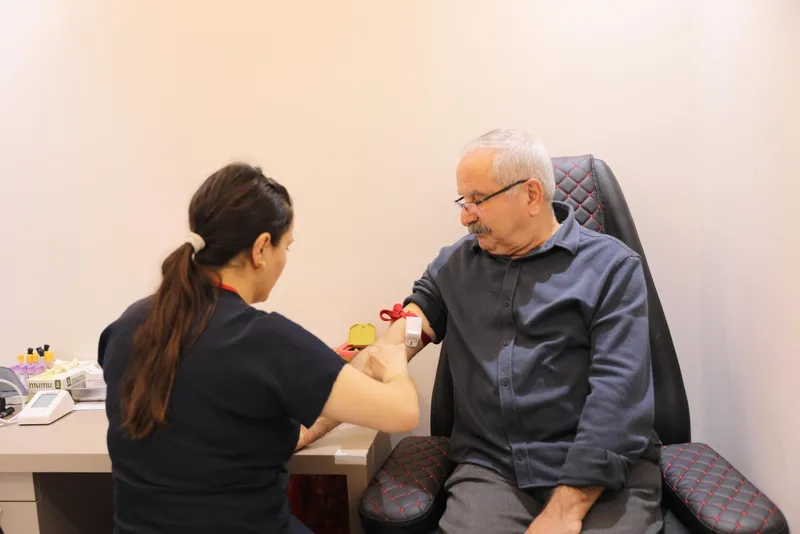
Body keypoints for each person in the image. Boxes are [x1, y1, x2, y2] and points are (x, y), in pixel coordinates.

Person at [351, 129, 662, 533]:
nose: (465, 216)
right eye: (463, 201)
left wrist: (563, 511)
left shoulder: (611, 268)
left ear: (531, 195)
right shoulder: (455, 267)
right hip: (494, 472)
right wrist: (310, 421)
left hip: (603, 474)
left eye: (477, 199)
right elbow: (397, 343)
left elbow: (618, 396)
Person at [98, 163, 419, 534]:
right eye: (287, 246)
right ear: (262, 248)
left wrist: (324, 376)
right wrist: (394, 366)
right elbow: (403, 413)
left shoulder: (129, 324)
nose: (284, 259)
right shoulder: (266, 339)